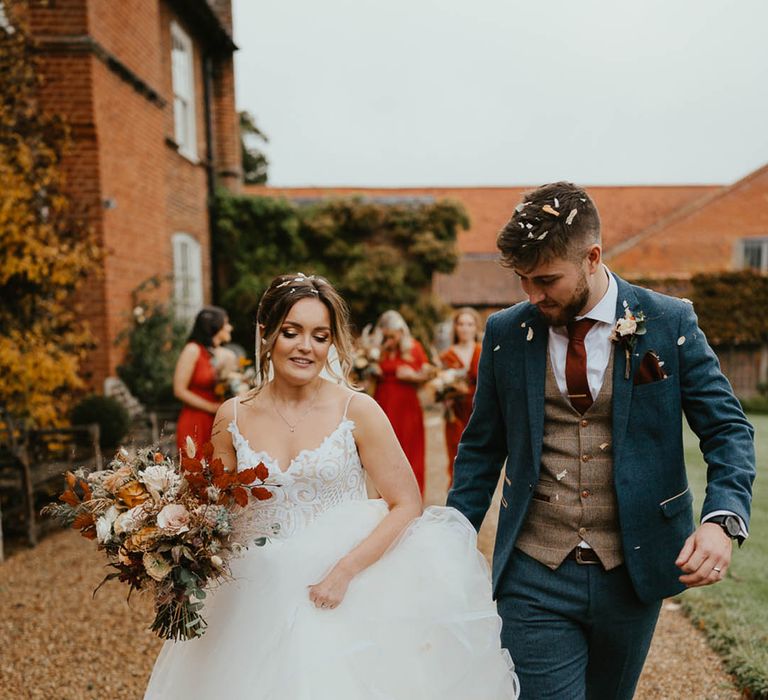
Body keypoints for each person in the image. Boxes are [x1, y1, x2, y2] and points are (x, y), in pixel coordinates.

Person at [447, 182, 755, 699]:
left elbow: (727, 428)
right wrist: (451, 542)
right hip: (533, 570)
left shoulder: (669, 321)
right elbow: (481, 449)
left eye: (545, 280)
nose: (532, 296)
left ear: (592, 258)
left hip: (634, 569)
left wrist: (722, 520)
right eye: (522, 280)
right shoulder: (505, 332)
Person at [145, 273, 519, 699]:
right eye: (292, 332)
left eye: (320, 336)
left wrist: (345, 571)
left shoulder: (357, 409)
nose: (306, 347)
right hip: (252, 599)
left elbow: (406, 502)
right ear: (266, 334)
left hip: (348, 591)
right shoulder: (232, 415)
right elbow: (219, 510)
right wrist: (169, 546)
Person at [372, 310, 433, 495]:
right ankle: (384, 496)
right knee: (381, 451)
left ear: (401, 331)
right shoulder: (378, 351)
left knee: (409, 449)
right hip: (383, 403)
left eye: (393, 335)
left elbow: (428, 374)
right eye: (387, 335)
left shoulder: (413, 347)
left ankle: (412, 495)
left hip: (407, 407)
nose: (391, 339)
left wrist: (413, 376)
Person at [173, 306, 232, 453]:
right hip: (195, 420)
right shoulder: (192, 349)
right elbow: (179, 390)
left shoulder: (214, 353)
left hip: (215, 421)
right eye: (226, 324)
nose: (230, 328)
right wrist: (211, 407)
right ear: (215, 327)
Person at [439, 307, 482, 484]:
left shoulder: (483, 351)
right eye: (461, 324)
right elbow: (439, 385)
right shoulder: (446, 355)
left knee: (479, 455)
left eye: (469, 324)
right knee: (456, 454)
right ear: (455, 327)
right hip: (455, 411)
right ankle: (455, 491)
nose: (465, 328)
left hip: (478, 410)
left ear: (476, 327)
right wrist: (444, 394)